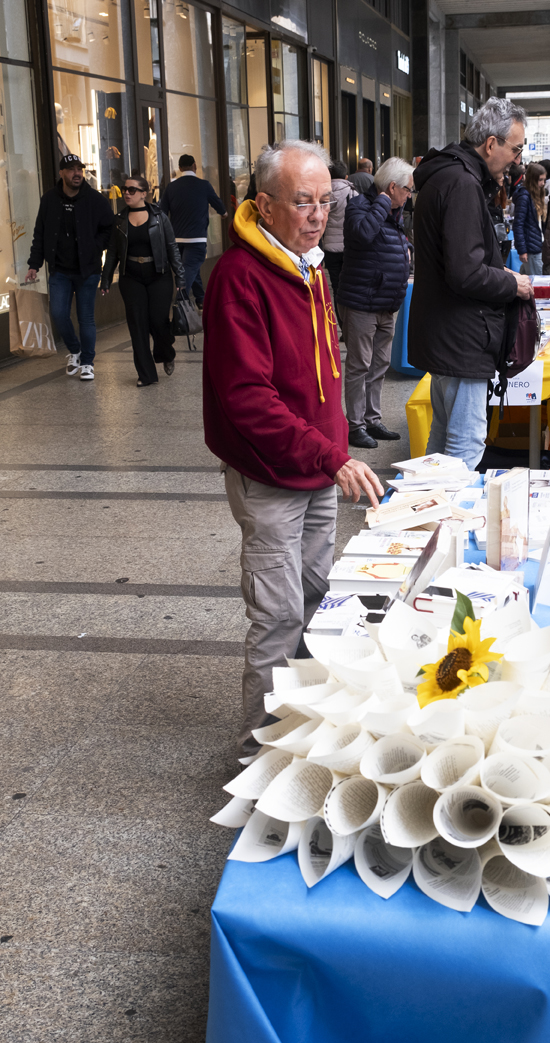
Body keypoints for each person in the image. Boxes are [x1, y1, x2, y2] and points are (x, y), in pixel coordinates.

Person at [201, 139, 383, 758]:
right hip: (273, 475)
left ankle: (302, 726)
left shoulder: (315, 268)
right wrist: (332, 455)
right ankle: (259, 753)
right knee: (277, 619)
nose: (318, 215)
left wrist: (333, 453)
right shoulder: (238, 278)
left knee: (316, 605)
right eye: (303, 202)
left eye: (326, 201)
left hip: (318, 471)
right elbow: (247, 398)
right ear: (265, 206)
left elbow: (325, 375)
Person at [408, 97, 533, 468]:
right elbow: (466, 272)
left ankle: (430, 515)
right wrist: (514, 285)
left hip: (448, 333)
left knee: (443, 436)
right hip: (463, 336)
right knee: (465, 442)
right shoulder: (462, 183)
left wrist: (501, 273)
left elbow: (462, 261)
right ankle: (446, 523)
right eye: (516, 148)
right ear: (491, 144)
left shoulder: (447, 175)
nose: (517, 158)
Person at [337, 157, 414, 448]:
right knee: (360, 364)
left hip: (386, 301)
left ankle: (373, 419)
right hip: (362, 301)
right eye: (406, 190)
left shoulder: (395, 212)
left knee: (380, 363)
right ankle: (355, 425)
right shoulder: (360, 205)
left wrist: (406, 248)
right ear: (392, 187)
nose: (409, 196)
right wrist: (382, 201)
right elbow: (363, 235)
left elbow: (389, 243)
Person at [25, 153, 114, 380]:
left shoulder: (96, 200)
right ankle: (75, 350)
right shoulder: (49, 200)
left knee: (86, 318)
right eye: (72, 169)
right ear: (62, 173)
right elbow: (40, 234)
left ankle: (87, 362)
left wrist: (95, 246)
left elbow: (109, 230)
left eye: (80, 169)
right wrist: (34, 264)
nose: (77, 174)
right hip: (60, 270)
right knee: (58, 314)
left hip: (88, 270)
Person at [100, 175, 185, 387]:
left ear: (143, 193)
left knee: (158, 322)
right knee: (137, 325)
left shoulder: (159, 216)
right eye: (124, 189)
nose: (126, 193)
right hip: (131, 278)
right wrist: (106, 279)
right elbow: (112, 253)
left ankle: (166, 352)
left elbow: (172, 247)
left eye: (132, 190)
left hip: (159, 275)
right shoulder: (119, 219)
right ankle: (146, 374)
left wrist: (180, 276)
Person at [160, 155, 227, 310]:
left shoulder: (171, 187)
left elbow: (162, 212)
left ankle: (201, 299)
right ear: (194, 165)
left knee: (190, 268)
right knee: (188, 269)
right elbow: (218, 204)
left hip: (176, 239)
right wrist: (223, 213)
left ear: (180, 168)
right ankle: (180, 304)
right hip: (196, 238)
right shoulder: (204, 185)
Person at [320, 159, 356, 323]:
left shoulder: (323, 194)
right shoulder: (353, 193)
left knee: (337, 287)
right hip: (350, 246)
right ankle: (351, 324)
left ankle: (341, 322)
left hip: (330, 247)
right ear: (346, 175)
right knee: (352, 287)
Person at [513, 162, 547, 276]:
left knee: (530, 279)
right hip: (531, 248)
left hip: (536, 244)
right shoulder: (525, 197)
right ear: (533, 179)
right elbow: (518, 224)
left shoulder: (535, 194)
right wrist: (522, 250)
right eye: (540, 180)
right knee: (536, 283)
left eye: (544, 180)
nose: (543, 183)